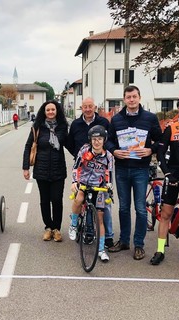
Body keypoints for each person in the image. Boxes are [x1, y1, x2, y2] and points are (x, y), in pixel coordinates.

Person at [107, 85, 162, 260]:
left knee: (140, 208)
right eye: (128, 97)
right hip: (122, 169)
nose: (131, 100)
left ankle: (139, 244)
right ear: (124, 99)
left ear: (139, 97)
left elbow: (160, 140)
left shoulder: (150, 118)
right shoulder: (116, 120)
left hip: (140, 169)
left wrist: (150, 150)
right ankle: (124, 241)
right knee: (123, 207)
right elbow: (108, 141)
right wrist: (114, 151)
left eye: (134, 96)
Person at [150, 93, 179, 265]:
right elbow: (160, 152)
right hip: (174, 174)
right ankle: (160, 250)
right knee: (166, 214)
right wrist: (167, 173)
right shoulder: (171, 127)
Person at [67, 97, 114, 248]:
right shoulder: (76, 125)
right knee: (80, 198)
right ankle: (75, 224)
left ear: (95, 107)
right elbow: (69, 144)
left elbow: (109, 172)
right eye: (85, 106)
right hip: (84, 174)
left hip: (99, 183)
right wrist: (75, 181)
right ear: (82, 108)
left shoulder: (108, 154)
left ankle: (104, 244)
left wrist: (109, 185)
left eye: (90, 106)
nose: (87, 109)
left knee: (101, 213)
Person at [23, 100, 68, 242]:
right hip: (41, 170)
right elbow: (28, 146)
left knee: (57, 200)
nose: (50, 112)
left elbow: (67, 143)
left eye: (53, 110)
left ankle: (57, 229)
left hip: (58, 169)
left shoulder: (62, 126)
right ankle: (48, 227)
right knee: (44, 200)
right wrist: (25, 167)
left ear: (57, 111)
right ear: (44, 111)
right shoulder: (37, 127)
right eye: (48, 110)